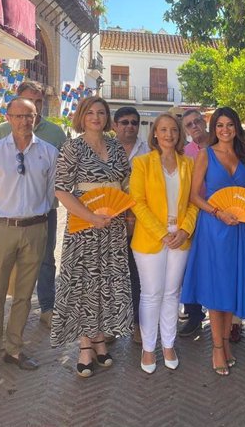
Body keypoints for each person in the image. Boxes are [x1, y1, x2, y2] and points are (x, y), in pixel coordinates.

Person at [0, 97, 58, 383]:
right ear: (8, 118)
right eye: (18, 116)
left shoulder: (48, 153)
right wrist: (5, 216)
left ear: (36, 118)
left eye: (29, 116)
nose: (24, 121)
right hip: (2, 228)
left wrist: (36, 217)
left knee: (24, 295)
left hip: (36, 229)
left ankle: (14, 349)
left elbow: (49, 193)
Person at [50, 96, 133, 378]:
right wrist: (90, 216)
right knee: (84, 284)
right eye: (91, 113)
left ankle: (99, 338)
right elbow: (61, 190)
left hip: (112, 226)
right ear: (82, 117)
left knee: (104, 283)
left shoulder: (115, 147)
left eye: (101, 112)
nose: (96, 117)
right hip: (83, 227)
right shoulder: (72, 147)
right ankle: (85, 345)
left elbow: (125, 183)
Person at [181, 107, 245, 376]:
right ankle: (215, 349)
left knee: (231, 288)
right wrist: (218, 212)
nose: (225, 129)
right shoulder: (205, 155)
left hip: (240, 230)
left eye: (230, 125)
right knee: (216, 289)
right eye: (220, 125)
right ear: (214, 128)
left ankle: (226, 344)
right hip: (214, 229)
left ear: (237, 127)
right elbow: (193, 196)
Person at [0, 81, 66, 328]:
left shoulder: (55, 134)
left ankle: (47, 307)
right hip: (7, 217)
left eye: (39, 101)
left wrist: (46, 205)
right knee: (3, 267)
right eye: (29, 100)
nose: (35, 106)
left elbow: (61, 175)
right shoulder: (0, 132)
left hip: (44, 213)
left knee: (45, 259)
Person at [129, 113, 198, 373]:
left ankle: (168, 345)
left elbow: (193, 202)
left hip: (180, 239)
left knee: (172, 294)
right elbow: (137, 202)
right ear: (155, 134)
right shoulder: (142, 163)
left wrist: (184, 229)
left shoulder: (188, 164)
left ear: (180, 135)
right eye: (163, 130)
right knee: (150, 294)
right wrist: (162, 232)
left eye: (174, 130)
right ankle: (148, 348)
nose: (169, 135)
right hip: (150, 239)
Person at [113, 106, 150, 345]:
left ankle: (138, 324)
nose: (130, 127)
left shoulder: (148, 152)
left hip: (139, 223)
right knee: (110, 277)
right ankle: (109, 327)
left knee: (138, 277)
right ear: (115, 125)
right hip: (108, 223)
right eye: (124, 122)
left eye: (134, 123)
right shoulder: (103, 150)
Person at [178, 109, 211, 337]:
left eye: (197, 121)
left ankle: (224, 315)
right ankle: (194, 314)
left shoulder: (220, 145)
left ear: (205, 122)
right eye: (189, 125)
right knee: (190, 266)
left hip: (220, 215)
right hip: (194, 215)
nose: (195, 126)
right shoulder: (185, 153)